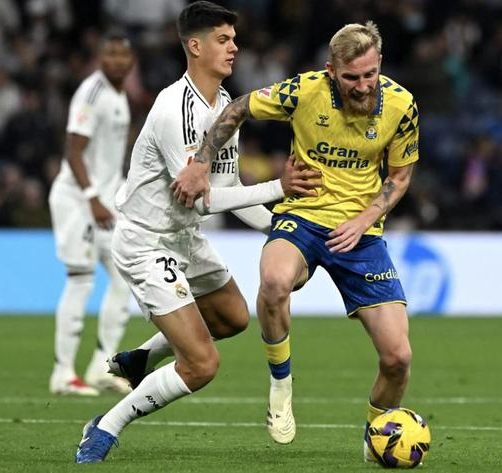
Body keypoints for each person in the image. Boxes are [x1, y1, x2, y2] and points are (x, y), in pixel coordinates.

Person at [74, 1, 319, 463]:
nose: (234, 48)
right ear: (195, 46)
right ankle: (105, 426)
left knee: (233, 317)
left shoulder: (225, 106)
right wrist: (279, 187)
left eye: (234, 39)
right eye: (223, 40)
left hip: (185, 237)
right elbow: (202, 199)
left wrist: (284, 231)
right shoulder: (175, 109)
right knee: (202, 364)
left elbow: (229, 188)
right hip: (147, 242)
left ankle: (141, 357)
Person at [172, 21, 420, 460]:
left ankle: (376, 437)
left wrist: (364, 220)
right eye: (351, 77)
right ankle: (281, 384)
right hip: (302, 216)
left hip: (361, 234)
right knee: (273, 282)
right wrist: (201, 164)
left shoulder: (401, 105)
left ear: (380, 64)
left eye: (370, 74)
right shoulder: (304, 91)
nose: (363, 86)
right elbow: (238, 109)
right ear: (331, 71)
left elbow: (399, 177)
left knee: (398, 358)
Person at [48, 31, 135, 396]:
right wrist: (92, 197)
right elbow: (73, 150)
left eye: (122, 54)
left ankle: (102, 367)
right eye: (109, 54)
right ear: (100, 58)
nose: (116, 60)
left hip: (106, 203)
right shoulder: (92, 92)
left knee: (125, 277)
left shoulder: (120, 95)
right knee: (80, 279)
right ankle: (63, 373)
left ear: (131, 61)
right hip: (78, 200)